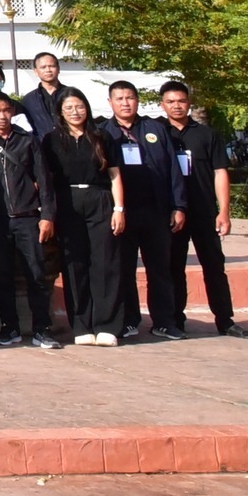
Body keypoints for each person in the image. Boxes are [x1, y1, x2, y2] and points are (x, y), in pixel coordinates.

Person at [159, 80, 248, 338]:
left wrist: (224, 211)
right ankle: (175, 321)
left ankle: (225, 320)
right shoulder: (157, 133)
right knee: (173, 267)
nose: (176, 106)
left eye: (181, 101)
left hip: (204, 211)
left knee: (214, 266)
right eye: (171, 102)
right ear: (162, 105)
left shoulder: (206, 134)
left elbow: (220, 172)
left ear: (189, 103)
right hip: (172, 212)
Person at [0, 91, 61, 348]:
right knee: (2, 275)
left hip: (27, 217)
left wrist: (47, 215)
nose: (2, 116)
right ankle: (9, 328)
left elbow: (44, 181)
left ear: (12, 112)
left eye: (5, 110)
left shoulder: (28, 141)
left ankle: (42, 329)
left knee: (36, 274)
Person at [99, 79, 188, 340]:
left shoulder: (155, 128)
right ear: (110, 102)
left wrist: (178, 205)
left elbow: (173, 168)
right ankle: (129, 320)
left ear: (137, 100)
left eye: (130, 97)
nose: (125, 103)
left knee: (160, 269)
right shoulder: (103, 132)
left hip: (156, 211)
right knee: (124, 269)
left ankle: (164, 322)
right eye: (119, 98)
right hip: (122, 213)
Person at [46, 90, 125, 346]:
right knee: (74, 264)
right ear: (60, 112)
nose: (75, 112)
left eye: (79, 106)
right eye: (69, 108)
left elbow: (115, 175)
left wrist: (119, 209)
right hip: (66, 202)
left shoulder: (102, 136)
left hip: (100, 199)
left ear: (87, 108)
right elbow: (45, 179)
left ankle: (107, 326)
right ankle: (81, 325)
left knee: (105, 263)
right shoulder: (51, 140)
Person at [25, 52, 81, 144]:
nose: (48, 70)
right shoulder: (29, 99)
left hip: (70, 144)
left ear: (58, 69)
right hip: (42, 147)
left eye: (52, 66)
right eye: (43, 67)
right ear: (36, 71)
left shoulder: (71, 95)